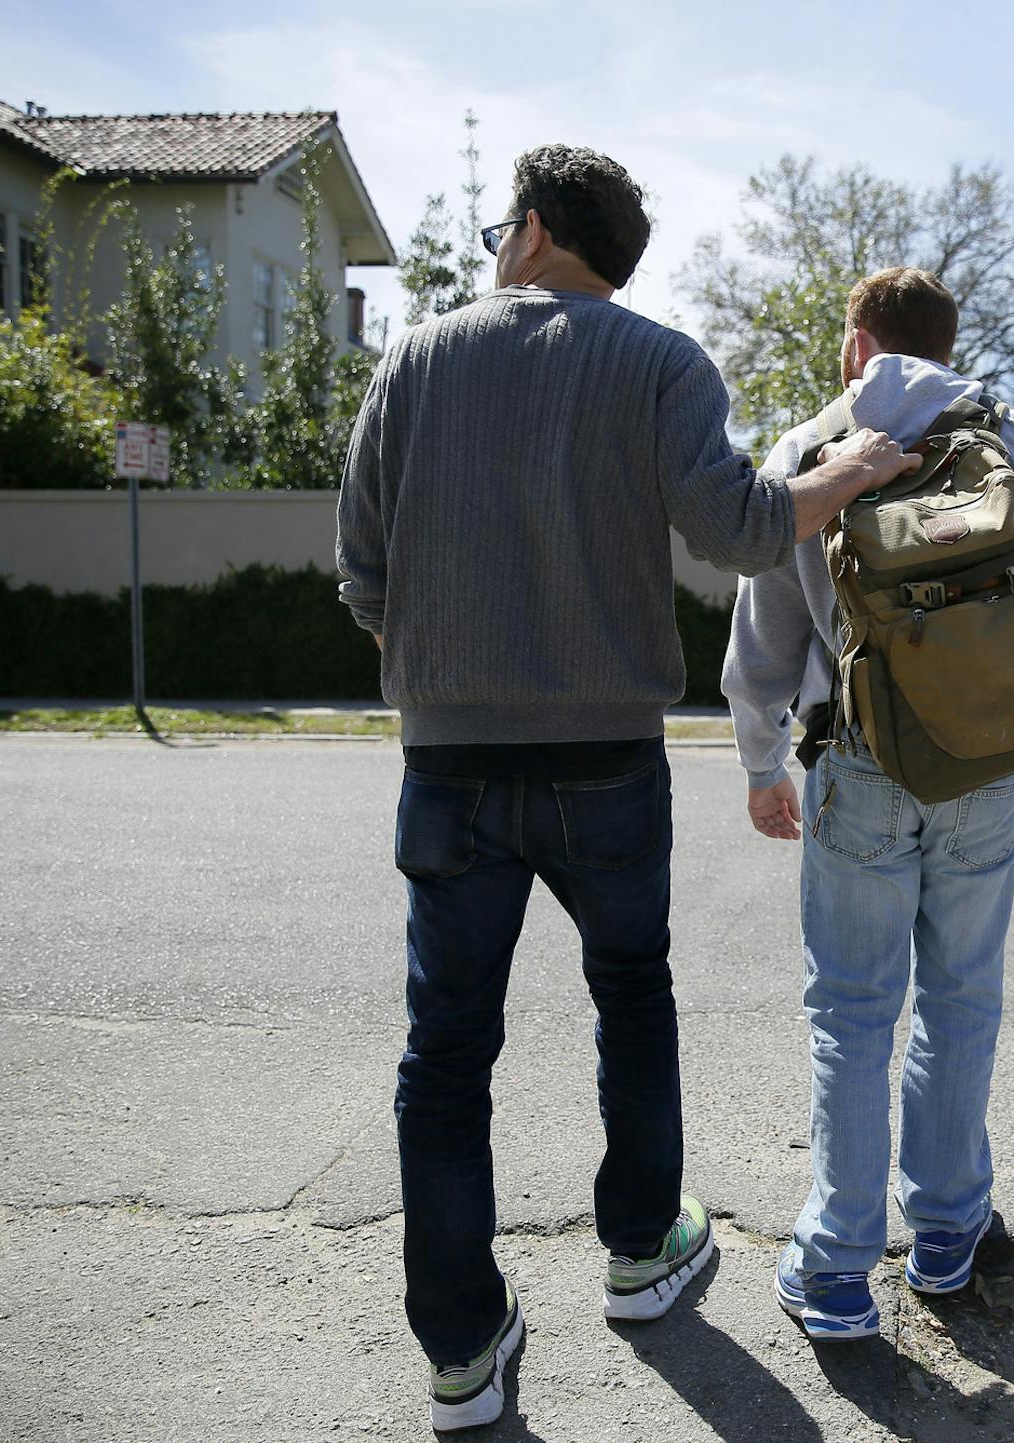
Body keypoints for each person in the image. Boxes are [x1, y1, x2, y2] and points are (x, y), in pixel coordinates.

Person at [335, 144, 920, 1431]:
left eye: (504, 224)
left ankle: (461, 1351)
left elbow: (362, 568)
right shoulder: (660, 362)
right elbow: (747, 529)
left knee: (444, 1055)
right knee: (631, 994)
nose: (500, 240)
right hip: (607, 757)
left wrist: (434, 664)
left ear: (533, 229)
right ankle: (646, 1251)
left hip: (448, 762)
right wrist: (851, 471)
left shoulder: (415, 358)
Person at [722, 267, 1014, 1340]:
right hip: (991, 759)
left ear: (856, 345)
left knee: (851, 1013)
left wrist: (761, 764)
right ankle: (945, 1234)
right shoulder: (1013, 433)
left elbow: (764, 639)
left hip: (859, 764)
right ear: (949, 342)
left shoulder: (809, 454)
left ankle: (840, 1264)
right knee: (961, 997)